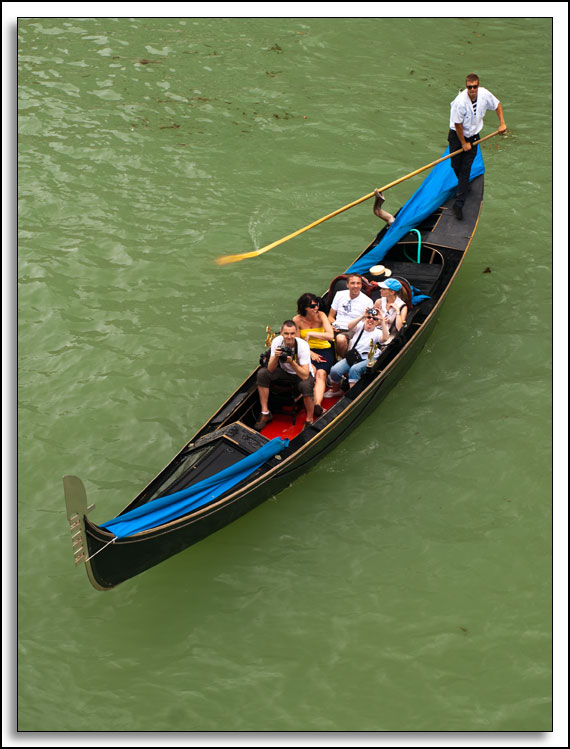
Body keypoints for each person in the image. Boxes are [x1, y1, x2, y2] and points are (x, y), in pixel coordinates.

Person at [448, 73, 507, 220]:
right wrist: (463, 143)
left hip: (474, 137)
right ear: (466, 87)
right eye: (469, 87)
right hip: (457, 136)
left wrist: (502, 123)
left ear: (478, 86)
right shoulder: (460, 102)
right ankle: (464, 186)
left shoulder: (484, 94)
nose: (472, 89)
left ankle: (459, 204)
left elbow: (497, 105)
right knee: (455, 165)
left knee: (465, 169)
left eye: (475, 86)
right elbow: (458, 125)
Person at [255, 320, 315, 431]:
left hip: (300, 374)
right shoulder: (277, 342)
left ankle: (309, 419)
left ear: (296, 333)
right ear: (281, 333)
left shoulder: (302, 346)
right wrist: (276, 357)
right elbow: (270, 369)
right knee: (262, 374)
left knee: (306, 385)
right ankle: (265, 412)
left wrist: (291, 362)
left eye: (292, 333)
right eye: (286, 333)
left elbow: (305, 375)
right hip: (285, 373)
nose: (289, 337)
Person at [326, 309, 389, 395]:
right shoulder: (360, 326)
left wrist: (382, 321)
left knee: (354, 370)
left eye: (374, 319)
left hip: (370, 358)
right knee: (334, 370)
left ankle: (353, 395)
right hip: (355, 356)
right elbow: (349, 326)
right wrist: (363, 316)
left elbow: (385, 338)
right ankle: (336, 390)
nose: (371, 320)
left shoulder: (378, 332)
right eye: (369, 317)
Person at [293, 293, 335, 418]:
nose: (316, 307)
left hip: (323, 349)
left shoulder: (321, 315)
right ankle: (306, 398)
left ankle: (317, 404)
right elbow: (297, 342)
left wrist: (311, 333)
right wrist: (310, 353)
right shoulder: (297, 320)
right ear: (304, 307)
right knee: (313, 371)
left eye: (317, 304)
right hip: (305, 351)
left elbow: (330, 336)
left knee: (321, 374)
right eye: (312, 306)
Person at [328, 273, 373, 358]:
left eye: (358, 283)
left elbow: (367, 323)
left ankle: (342, 359)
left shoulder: (368, 301)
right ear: (347, 285)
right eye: (352, 283)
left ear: (361, 285)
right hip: (336, 326)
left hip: (353, 329)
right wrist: (334, 325)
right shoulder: (339, 295)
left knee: (341, 339)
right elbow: (330, 316)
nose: (355, 286)